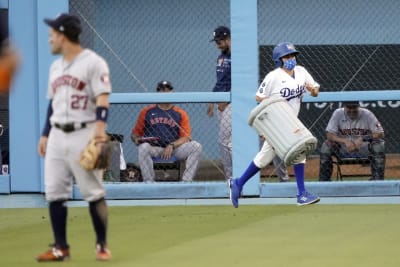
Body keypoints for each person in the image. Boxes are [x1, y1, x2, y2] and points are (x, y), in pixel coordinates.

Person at [36, 13, 112, 261]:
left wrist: (100, 132)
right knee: (55, 192)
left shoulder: (93, 62)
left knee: (93, 192)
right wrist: (46, 134)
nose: (50, 39)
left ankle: (101, 245)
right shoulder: (55, 67)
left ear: (63, 35)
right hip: (58, 133)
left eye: (52, 35)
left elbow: (102, 97)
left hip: (85, 131)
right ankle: (61, 247)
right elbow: (53, 103)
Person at [229, 42, 320, 208]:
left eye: (292, 55)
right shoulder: (273, 76)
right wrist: (269, 123)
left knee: (266, 157)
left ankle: (238, 183)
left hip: (291, 121)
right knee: (296, 153)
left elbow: (314, 91)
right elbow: (259, 97)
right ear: (279, 59)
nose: (291, 59)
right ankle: (301, 194)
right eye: (287, 56)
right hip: (279, 123)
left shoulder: (301, 72)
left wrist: (312, 90)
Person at [131, 80, 202, 183]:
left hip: (174, 150)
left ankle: (186, 182)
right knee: (143, 147)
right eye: (162, 90)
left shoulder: (180, 113)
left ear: (172, 92)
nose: (165, 93)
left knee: (196, 146)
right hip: (155, 148)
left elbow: (186, 137)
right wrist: (136, 139)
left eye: (167, 90)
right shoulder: (146, 111)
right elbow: (135, 133)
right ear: (158, 93)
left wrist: (172, 145)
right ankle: (149, 182)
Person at [319, 101, 385, 181]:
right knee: (326, 145)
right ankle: (324, 182)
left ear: (358, 106)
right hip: (343, 149)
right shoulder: (338, 113)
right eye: (349, 107)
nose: (352, 110)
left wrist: (363, 138)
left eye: (354, 107)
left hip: (364, 149)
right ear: (344, 107)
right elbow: (329, 134)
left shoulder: (367, 114)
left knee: (379, 145)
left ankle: (377, 181)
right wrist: (344, 141)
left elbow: (380, 133)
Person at [207, 26, 232, 180]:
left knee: (226, 141)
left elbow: (240, 80)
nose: (218, 44)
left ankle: (232, 176)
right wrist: (211, 100)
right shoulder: (220, 58)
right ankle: (230, 176)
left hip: (232, 102)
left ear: (228, 38)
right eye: (216, 41)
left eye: (220, 41)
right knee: (224, 141)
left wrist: (226, 100)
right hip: (221, 102)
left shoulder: (238, 56)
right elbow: (220, 81)